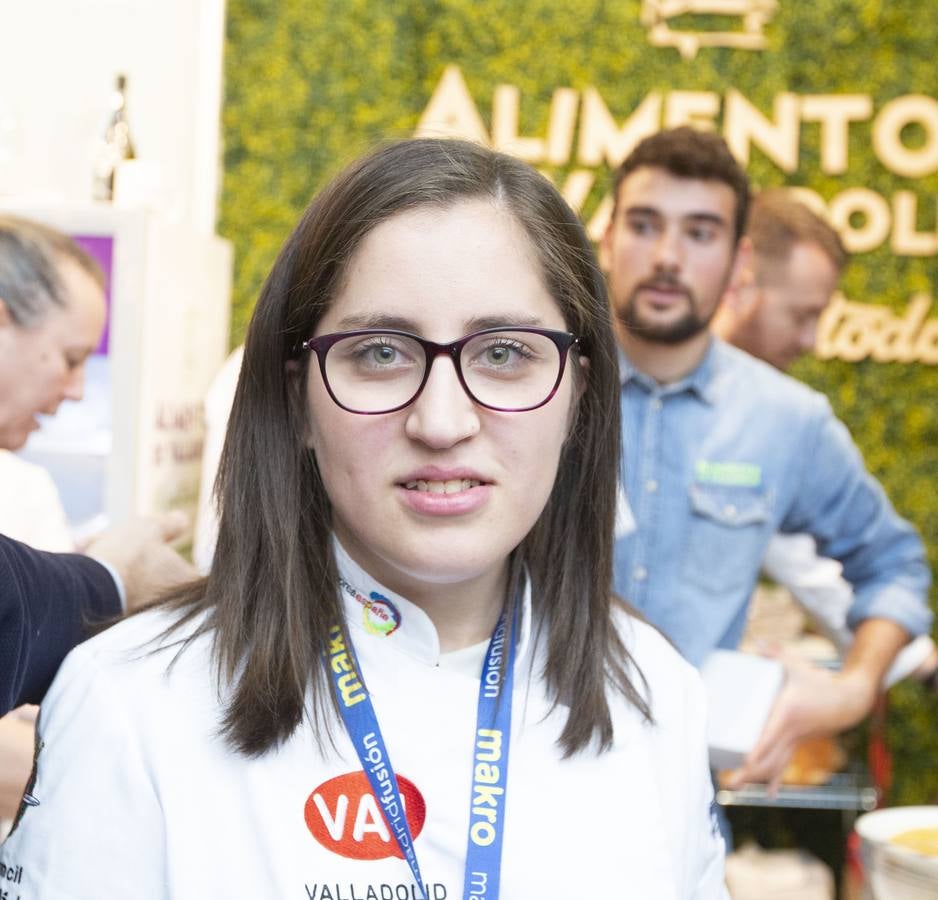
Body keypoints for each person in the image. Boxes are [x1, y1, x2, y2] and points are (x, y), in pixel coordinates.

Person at [1, 139, 728, 898]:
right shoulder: (130, 699)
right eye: (380, 352)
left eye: (506, 352)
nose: (443, 422)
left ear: (577, 395)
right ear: (298, 401)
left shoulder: (658, 694)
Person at [601, 127, 932, 791]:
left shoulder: (788, 421)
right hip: (511, 784)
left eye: (700, 233)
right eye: (644, 225)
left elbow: (892, 564)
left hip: (684, 796)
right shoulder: (530, 383)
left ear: (737, 260)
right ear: (607, 238)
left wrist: (855, 687)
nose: (668, 256)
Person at [712, 189, 938, 690]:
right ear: (740, 284)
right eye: (801, 315)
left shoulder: (781, 419)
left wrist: (878, 675)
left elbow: (817, 562)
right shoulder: (610, 386)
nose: (812, 340)